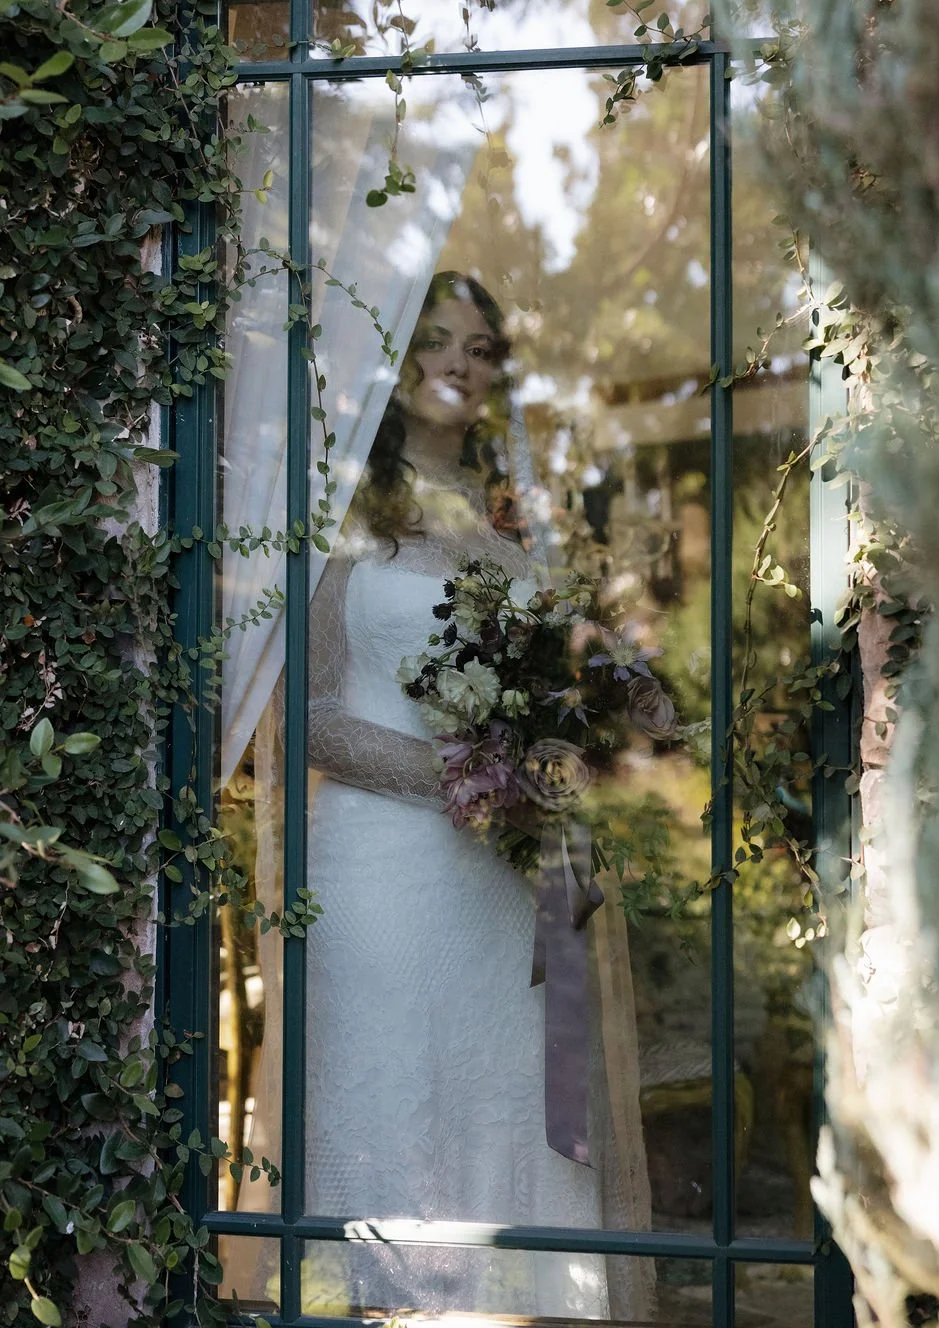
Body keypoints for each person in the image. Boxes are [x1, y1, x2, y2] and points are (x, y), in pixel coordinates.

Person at [303, 272, 612, 1318]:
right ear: (392, 361)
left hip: (497, 880)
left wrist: (546, 754)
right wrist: (465, 777)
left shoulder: (512, 525)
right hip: (378, 870)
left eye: (480, 348)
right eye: (436, 340)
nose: (458, 363)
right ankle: (386, 1306)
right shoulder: (339, 512)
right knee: (392, 1089)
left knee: (500, 1090)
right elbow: (312, 716)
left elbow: (563, 686)